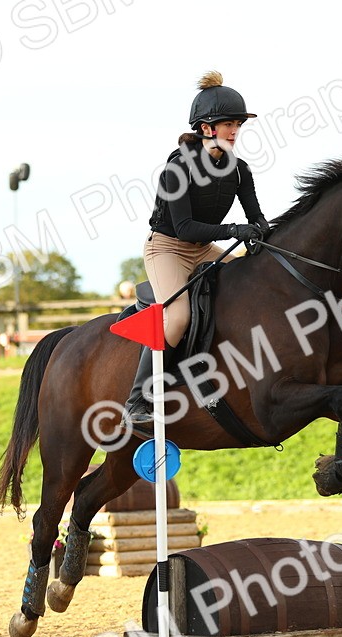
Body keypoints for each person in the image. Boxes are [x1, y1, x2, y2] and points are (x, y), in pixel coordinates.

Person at [125, 71, 271, 428]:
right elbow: (185, 228)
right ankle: (137, 400)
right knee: (177, 317)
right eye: (228, 124)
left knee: (251, 288)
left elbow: (257, 217)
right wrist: (234, 229)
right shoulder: (178, 168)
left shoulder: (239, 170)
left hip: (203, 247)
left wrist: (263, 236)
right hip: (167, 249)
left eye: (238, 124)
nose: (235, 130)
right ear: (207, 128)